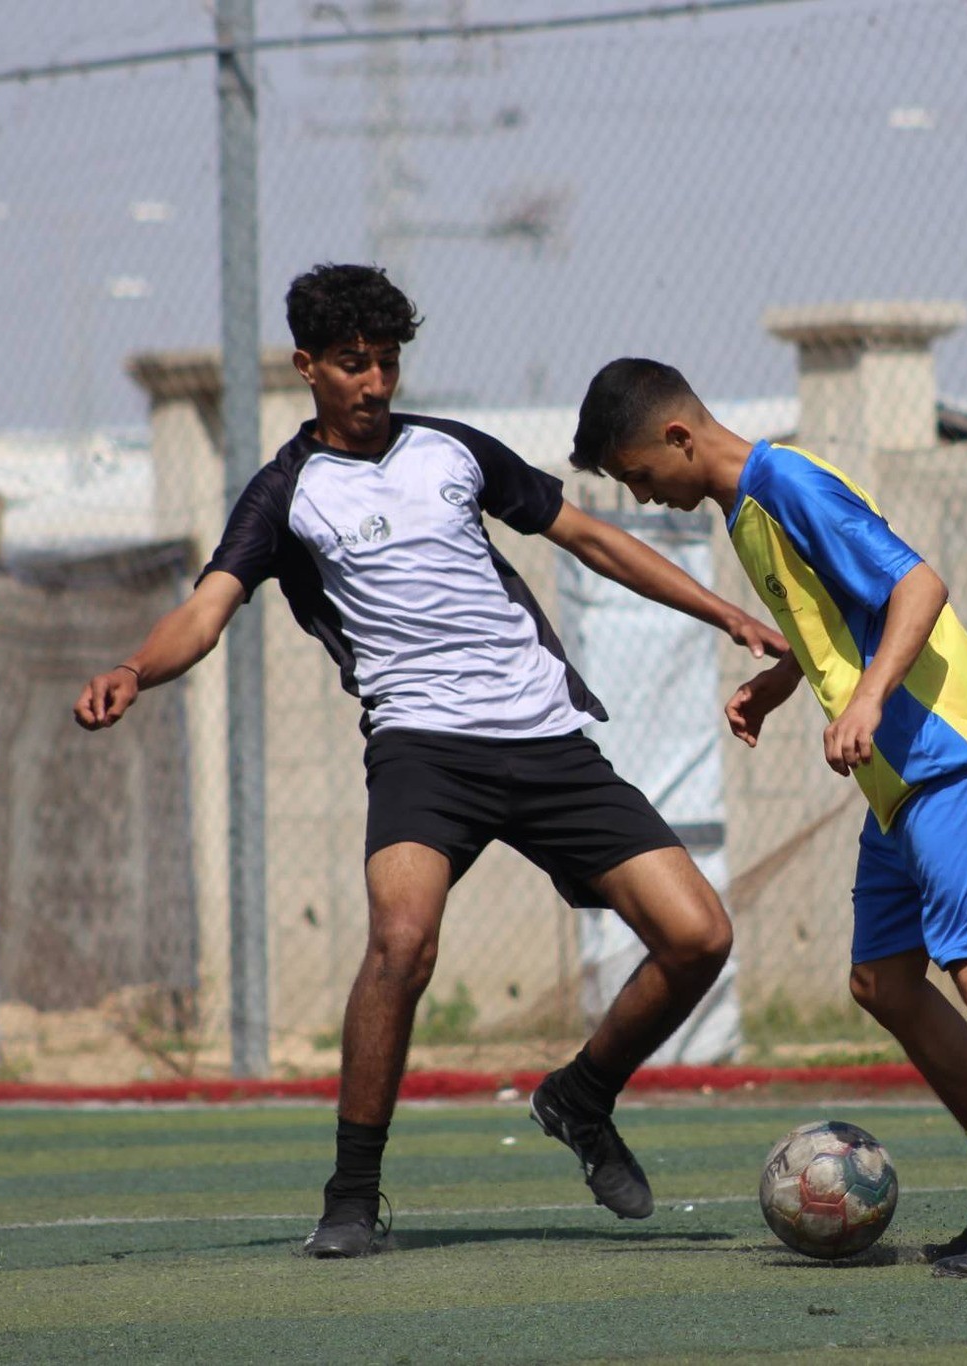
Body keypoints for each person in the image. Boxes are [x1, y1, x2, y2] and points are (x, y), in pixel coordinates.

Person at [74, 267, 787, 1258]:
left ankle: (581, 1097)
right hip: (422, 749)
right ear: (307, 367)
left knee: (698, 936)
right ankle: (350, 1196)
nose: (374, 383)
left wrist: (726, 615)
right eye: (352, 363)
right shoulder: (285, 493)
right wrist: (132, 670)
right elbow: (204, 612)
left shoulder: (452, 450)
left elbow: (591, 537)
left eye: (387, 362)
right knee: (401, 945)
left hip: (542, 735)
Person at [568, 358, 967, 1278]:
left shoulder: (789, 485)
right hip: (898, 777)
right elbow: (847, 616)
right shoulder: (746, 509)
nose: (644, 495)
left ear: (678, 437)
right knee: (883, 982)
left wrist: (867, 701)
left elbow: (919, 587)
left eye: (640, 474)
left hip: (951, 749)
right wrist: (784, 682)